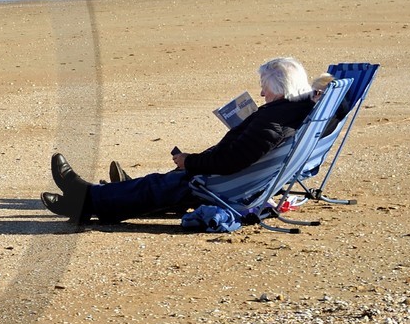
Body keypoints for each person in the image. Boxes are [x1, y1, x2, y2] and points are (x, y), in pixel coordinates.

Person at [43, 57, 315, 226]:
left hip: (224, 186)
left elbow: (232, 161)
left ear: (279, 89)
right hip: (242, 182)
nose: (261, 92)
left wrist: (191, 161)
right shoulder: (295, 110)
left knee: (160, 186)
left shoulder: (274, 122)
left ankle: (83, 199)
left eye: (264, 87)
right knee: (159, 185)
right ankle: (102, 199)